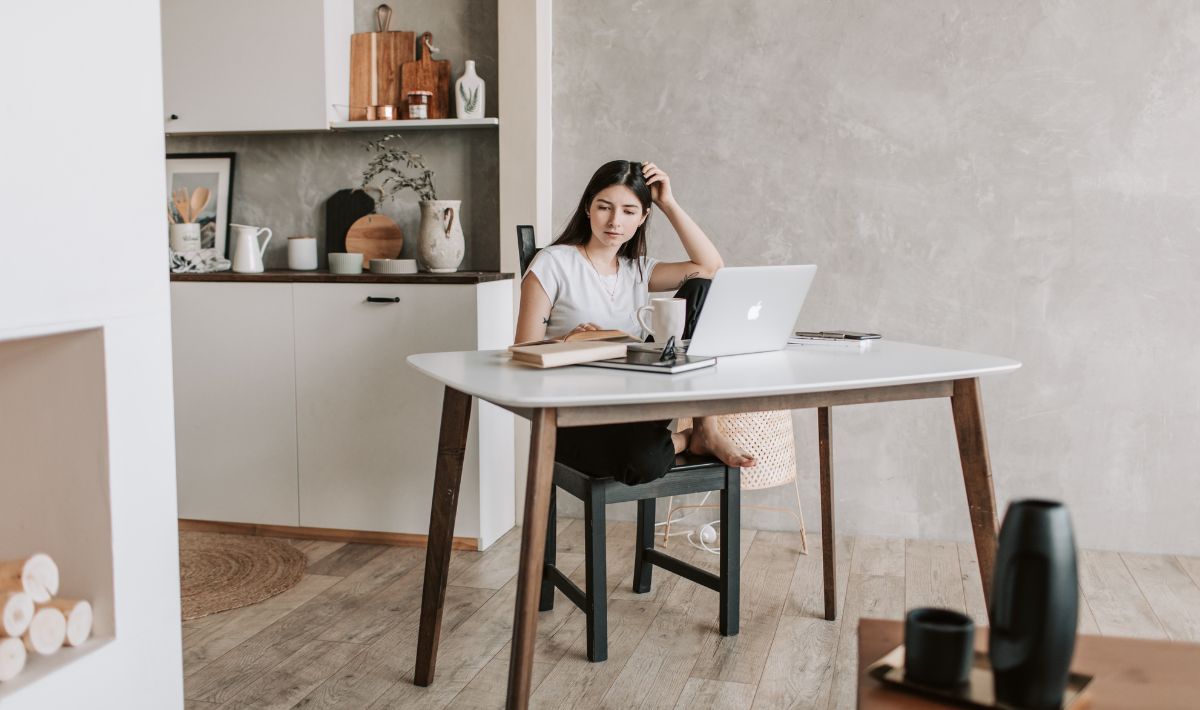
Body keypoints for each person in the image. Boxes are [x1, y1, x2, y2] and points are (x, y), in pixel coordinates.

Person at [515, 160, 755, 486]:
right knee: (643, 462)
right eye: (604, 207)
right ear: (588, 208)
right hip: (576, 415)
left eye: (629, 211)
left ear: (642, 218)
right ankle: (687, 439)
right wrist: (567, 340)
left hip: (637, 405)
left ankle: (706, 428)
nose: (615, 221)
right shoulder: (554, 263)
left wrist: (668, 203)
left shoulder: (638, 270)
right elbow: (522, 352)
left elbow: (710, 267)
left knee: (701, 288)